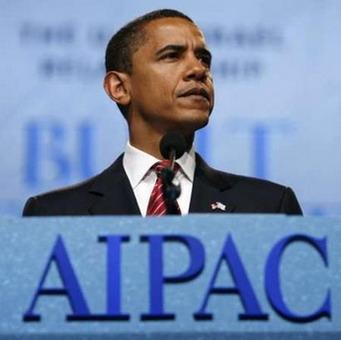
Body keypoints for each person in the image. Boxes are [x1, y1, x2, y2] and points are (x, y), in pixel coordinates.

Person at [23, 9, 302, 216]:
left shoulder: (270, 208)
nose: (198, 70)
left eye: (203, 58)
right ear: (119, 87)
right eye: (172, 55)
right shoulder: (53, 214)